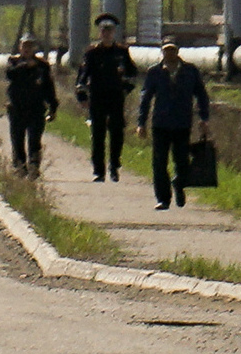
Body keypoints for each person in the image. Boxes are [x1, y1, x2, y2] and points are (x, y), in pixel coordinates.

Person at [137, 40, 211, 211]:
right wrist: (141, 123)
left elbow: (201, 95)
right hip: (160, 124)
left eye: (172, 50)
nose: (169, 53)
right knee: (159, 163)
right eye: (166, 50)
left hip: (182, 123)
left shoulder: (190, 71)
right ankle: (163, 198)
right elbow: (145, 98)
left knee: (182, 162)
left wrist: (204, 118)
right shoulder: (154, 72)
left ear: (178, 51)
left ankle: (179, 184)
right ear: (162, 52)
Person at [75, 14, 137, 183]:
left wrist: (126, 89)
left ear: (114, 32)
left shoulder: (122, 52)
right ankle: (98, 171)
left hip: (116, 98)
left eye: (110, 31)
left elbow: (133, 74)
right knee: (98, 134)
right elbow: (82, 76)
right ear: (100, 32)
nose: (107, 34)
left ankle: (114, 167)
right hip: (97, 97)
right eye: (104, 30)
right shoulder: (92, 53)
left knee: (117, 134)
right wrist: (81, 96)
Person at [4, 34, 58, 177]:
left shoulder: (42, 66)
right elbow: (10, 75)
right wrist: (24, 66)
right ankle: (20, 167)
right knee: (17, 140)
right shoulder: (13, 62)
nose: (27, 49)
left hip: (36, 109)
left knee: (34, 140)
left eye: (30, 46)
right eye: (24, 46)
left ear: (34, 48)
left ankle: (34, 166)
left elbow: (49, 88)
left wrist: (53, 107)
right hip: (17, 108)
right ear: (20, 47)